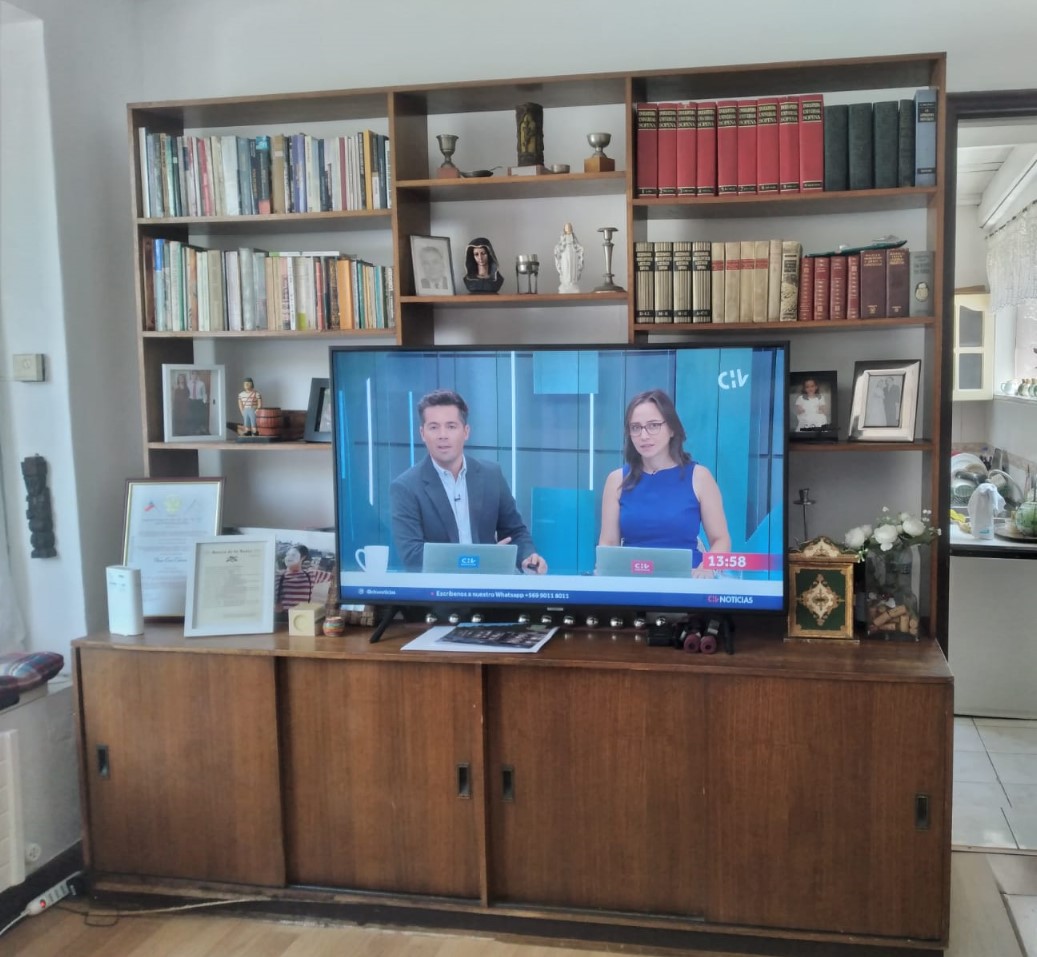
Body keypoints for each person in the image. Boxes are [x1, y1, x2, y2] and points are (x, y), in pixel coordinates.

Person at [390, 389, 547, 574]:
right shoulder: (406, 487)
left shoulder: (492, 475)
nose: (442, 435)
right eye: (434, 427)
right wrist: (483, 561)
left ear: (466, 432)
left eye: (451, 426)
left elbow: (515, 532)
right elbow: (413, 557)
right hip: (439, 591)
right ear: (422, 433)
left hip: (490, 590)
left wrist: (528, 557)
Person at [599, 389, 731, 578]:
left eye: (653, 425)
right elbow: (608, 545)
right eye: (636, 428)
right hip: (631, 582)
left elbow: (721, 540)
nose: (644, 436)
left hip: (688, 582)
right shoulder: (616, 480)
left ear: (671, 428)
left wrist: (707, 568)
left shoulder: (700, 477)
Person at [275, 543, 334, 612]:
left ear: (302, 557)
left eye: (293, 555)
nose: (289, 558)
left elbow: (336, 578)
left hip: (303, 616)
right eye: (287, 555)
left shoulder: (311, 575)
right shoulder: (277, 576)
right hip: (281, 617)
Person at [554, 222, 584, 294]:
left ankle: (572, 283)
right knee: (566, 268)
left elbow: (578, 246)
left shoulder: (573, 238)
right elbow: (559, 247)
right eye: (567, 227)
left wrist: (580, 249)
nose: (568, 229)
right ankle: (566, 283)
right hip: (564, 255)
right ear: (564, 229)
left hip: (573, 255)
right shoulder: (563, 238)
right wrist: (557, 249)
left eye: (569, 227)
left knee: (572, 269)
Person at [187, 370, 209, 435]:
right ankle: (193, 429)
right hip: (191, 401)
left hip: (199, 401)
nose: (194, 376)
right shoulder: (188, 383)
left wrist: (204, 402)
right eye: (193, 374)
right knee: (192, 415)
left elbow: (204, 393)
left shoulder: (201, 383)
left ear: (197, 375)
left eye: (195, 374)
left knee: (198, 416)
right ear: (191, 375)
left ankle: (198, 429)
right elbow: (186, 393)